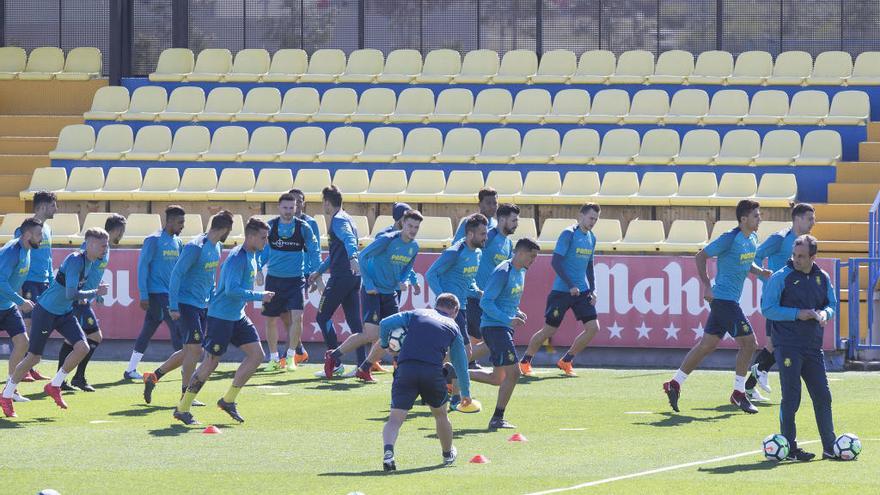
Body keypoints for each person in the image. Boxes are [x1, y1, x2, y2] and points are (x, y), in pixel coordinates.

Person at [663, 200, 773, 414]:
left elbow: (746, 262)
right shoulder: (729, 238)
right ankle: (739, 393)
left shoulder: (752, 238)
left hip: (729, 300)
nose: (760, 219)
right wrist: (706, 286)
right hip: (723, 299)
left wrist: (761, 272)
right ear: (743, 219)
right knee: (749, 344)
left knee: (707, 345)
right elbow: (701, 256)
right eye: (756, 216)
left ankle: (674, 383)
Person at [173, 217, 274, 425]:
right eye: (263, 237)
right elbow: (231, 290)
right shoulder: (237, 258)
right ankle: (182, 409)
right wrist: (260, 295)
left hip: (237, 316)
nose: (266, 241)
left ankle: (228, 400)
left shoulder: (255, 254)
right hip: (221, 317)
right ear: (251, 236)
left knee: (257, 355)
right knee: (210, 363)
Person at [0, 228, 110, 417]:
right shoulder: (76, 260)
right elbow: (71, 293)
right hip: (46, 312)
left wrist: (94, 293)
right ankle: (6, 394)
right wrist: (95, 293)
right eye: (103, 245)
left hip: (64, 312)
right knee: (33, 357)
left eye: (107, 245)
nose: (106, 249)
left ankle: (55, 385)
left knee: (83, 348)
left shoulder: (92, 262)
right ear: (90, 244)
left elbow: (78, 293)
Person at [142, 211, 234, 405]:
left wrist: (213, 297)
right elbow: (176, 275)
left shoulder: (217, 246)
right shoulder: (195, 247)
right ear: (225, 229)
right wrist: (173, 306)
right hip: (186, 304)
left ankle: (154, 377)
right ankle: (186, 395)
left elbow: (209, 276)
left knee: (188, 350)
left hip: (202, 304)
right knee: (195, 350)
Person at [761, 235, 838, 460]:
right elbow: (767, 309)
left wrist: (825, 314)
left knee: (823, 396)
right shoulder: (780, 277)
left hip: (813, 347)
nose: (796, 259)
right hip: (788, 347)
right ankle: (789, 448)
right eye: (794, 255)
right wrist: (797, 314)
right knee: (791, 397)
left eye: (801, 256)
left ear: (813, 257)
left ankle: (829, 447)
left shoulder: (822, 277)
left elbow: (831, 304)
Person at [326, 210, 423, 383]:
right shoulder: (387, 240)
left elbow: (408, 267)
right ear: (403, 224)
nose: (413, 230)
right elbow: (363, 257)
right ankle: (333, 355)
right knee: (371, 334)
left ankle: (364, 368)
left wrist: (403, 280)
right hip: (373, 291)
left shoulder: (414, 247)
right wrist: (369, 285)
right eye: (410, 225)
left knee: (390, 332)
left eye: (416, 227)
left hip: (390, 292)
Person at [379, 293, 472, 471]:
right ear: (455, 311)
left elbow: (384, 324)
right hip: (432, 372)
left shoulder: (416, 313)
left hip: (406, 370)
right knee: (440, 416)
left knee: (395, 419)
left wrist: (385, 345)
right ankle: (447, 454)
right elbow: (461, 363)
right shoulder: (453, 326)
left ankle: (389, 453)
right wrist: (466, 392)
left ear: (435, 305)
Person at [519, 203, 601, 377]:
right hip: (562, 292)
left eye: (596, 219)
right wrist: (570, 284)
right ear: (581, 216)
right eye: (591, 218)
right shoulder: (568, 234)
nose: (593, 222)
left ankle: (566, 360)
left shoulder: (592, 238)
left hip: (582, 292)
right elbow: (556, 262)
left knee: (593, 328)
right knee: (549, 330)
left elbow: (590, 265)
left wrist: (593, 290)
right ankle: (525, 361)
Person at [746, 203, 816, 400]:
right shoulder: (780, 238)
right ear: (798, 219)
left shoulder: (804, 242)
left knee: (774, 343)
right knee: (776, 342)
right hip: (777, 299)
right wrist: (767, 280)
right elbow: (756, 256)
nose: (813, 222)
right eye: (810, 218)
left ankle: (750, 385)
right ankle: (756, 375)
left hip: (793, 300)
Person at [467, 238, 539, 430]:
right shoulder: (503, 272)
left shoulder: (521, 271)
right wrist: (508, 318)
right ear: (521, 253)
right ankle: (497, 418)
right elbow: (486, 302)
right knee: (514, 373)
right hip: (495, 327)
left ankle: (453, 373)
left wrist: (516, 311)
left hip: (501, 327)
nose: (533, 260)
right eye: (532, 256)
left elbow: (507, 299)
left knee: (497, 378)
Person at [58, 214, 126, 392]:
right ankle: (70, 378)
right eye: (122, 231)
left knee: (78, 339)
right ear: (117, 230)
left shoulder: (105, 248)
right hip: (79, 298)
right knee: (92, 337)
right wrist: (85, 292)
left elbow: (95, 272)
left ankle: (67, 378)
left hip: (86, 297)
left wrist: (97, 294)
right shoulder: (91, 247)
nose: (122, 235)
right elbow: (80, 265)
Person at [257, 193, 319, 372]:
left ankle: (291, 356)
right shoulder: (270, 226)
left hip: (295, 280)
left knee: (297, 317)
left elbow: (314, 250)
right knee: (270, 320)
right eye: (285, 208)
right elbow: (260, 250)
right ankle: (274, 358)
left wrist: (315, 272)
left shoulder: (303, 227)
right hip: (274, 280)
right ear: (279, 208)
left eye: (291, 208)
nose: (288, 211)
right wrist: (259, 269)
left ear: (296, 208)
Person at [124, 205, 185, 380]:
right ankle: (185, 369)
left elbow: (179, 270)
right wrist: (144, 294)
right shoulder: (153, 239)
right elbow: (142, 266)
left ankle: (130, 370)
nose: (182, 226)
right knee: (178, 329)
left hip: (171, 294)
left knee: (149, 329)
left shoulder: (178, 242)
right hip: (158, 294)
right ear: (171, 221)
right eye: (180, 222)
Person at [311, 185, 364, 379]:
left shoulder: (338, 220)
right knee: (355, 323)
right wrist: (319, 271)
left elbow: (349, 241)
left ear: (326, 202)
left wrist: (353, 259)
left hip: (341, 276)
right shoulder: (348, 218)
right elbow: (336, 253)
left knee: (322, 317)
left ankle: (335, 363)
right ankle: (362, 366)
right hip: (352, 277)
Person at [467, 203, 519, 368]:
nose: (516, 223)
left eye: (517, 220)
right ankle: (459, 365)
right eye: (513, 220)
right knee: (477, 335)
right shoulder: (489, 237)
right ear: (502, 219)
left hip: (492, 297)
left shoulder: (508, 243)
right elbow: (470, 251)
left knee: (487, 336)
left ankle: (463, 364)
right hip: (476, 296)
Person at [15, 191, 57, 382]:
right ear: (42, 207)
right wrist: (19, 284)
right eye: (53, 205)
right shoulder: (23, 230)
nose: (56, 209)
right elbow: (18, 258)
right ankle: (21, 369)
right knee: (29, 326)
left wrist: (51, 279)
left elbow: (48, 258)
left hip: (45, 283)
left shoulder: (47, 229)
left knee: (39, 326)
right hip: (29, 282)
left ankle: (30, 367)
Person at [0, 217, 44, 402]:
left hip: (7, 306)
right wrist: (20, 300)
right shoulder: (12, 252)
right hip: (6, 303)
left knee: (23, 343)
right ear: (27, 235)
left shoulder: (27, 250)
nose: (42, 238)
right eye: (39, 234)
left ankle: (10, 390)